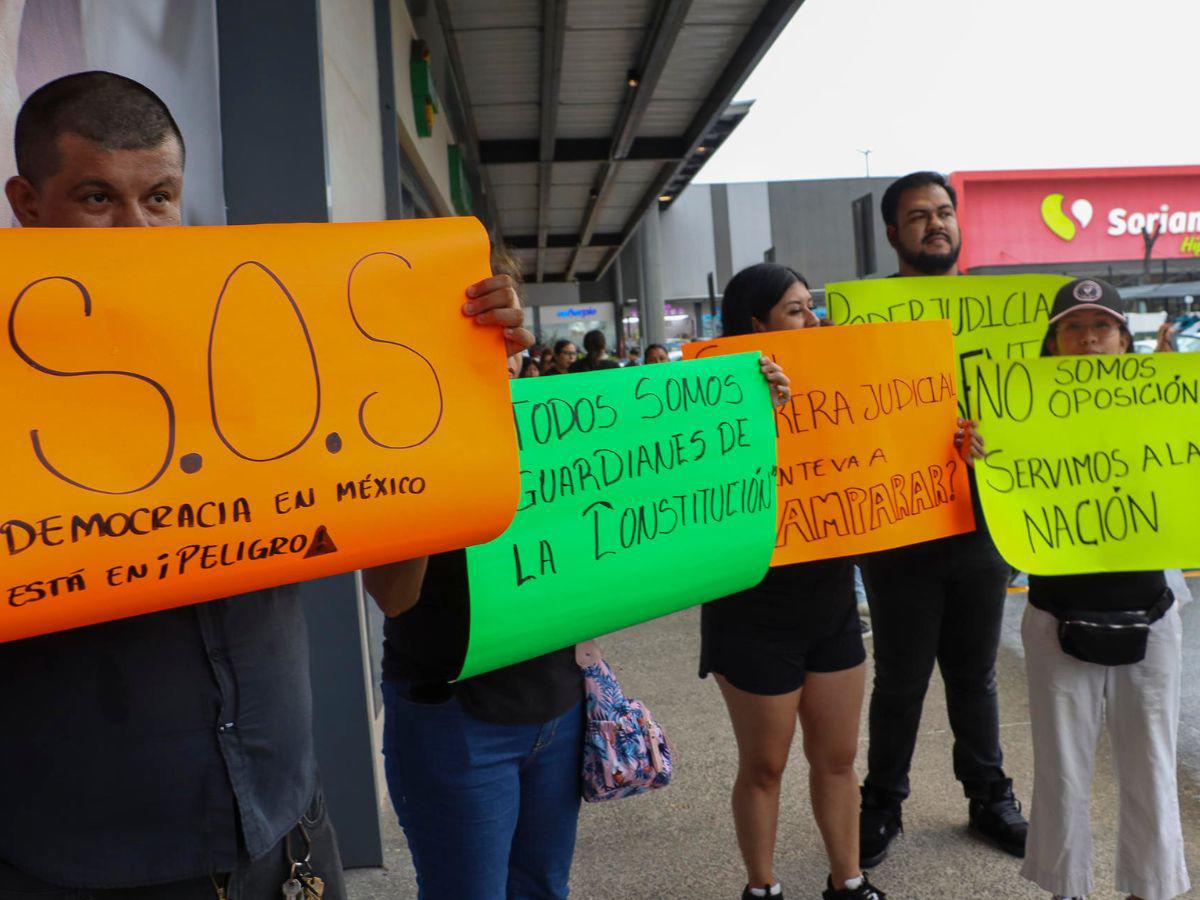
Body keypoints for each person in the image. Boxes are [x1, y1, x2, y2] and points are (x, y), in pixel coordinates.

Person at [0, 71, 532, 898]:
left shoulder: (263, 347)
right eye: (98, 198)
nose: (138, 231)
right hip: (84, 861)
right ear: (28, 203)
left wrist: (454, 383)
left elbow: (394, 591)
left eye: (160, 198)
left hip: (285, 831)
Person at [364, 316, 792, 900]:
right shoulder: (405, 435)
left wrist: (749, 408)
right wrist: (437, 469)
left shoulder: (554, 426)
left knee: (543, 888)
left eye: (507, 343)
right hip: (454, 720)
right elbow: (392, 596)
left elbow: (663, 480)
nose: (502, 357)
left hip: (557, 708)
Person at [960, 277, 1190, 900]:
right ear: (1054, 343)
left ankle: (1154, 888)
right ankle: (1068, 888)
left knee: (1152, 765)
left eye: (1103, 326)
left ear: (1124, 338)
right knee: (1062, 769)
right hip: (1056, 615)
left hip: (1153, 612)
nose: (1089, 338)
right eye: (1073, 327)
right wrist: (977, 457)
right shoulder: (1014, 419)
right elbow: (1000, 515)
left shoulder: (1166, 406)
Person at [857, 171, 1027, 868]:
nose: (936, 223)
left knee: (976, 672)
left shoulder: (1005, 316)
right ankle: (881, 804)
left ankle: (989, 799)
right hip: (902, 527)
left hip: (983, 519)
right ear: (893, 234)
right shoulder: (864, 321)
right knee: (900, 676)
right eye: (918, 215)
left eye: (945, 211)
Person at [701, 263, 885, 900]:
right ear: (756, 326)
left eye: (812, 307)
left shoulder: (835, 386)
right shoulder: (710, 400)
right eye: (796, 310)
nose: (813, 320)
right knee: (765, 765)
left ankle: (850, 880)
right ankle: (763, 888)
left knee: (837, 759)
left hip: (830, 601)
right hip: (752, 609)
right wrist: (757, 410)